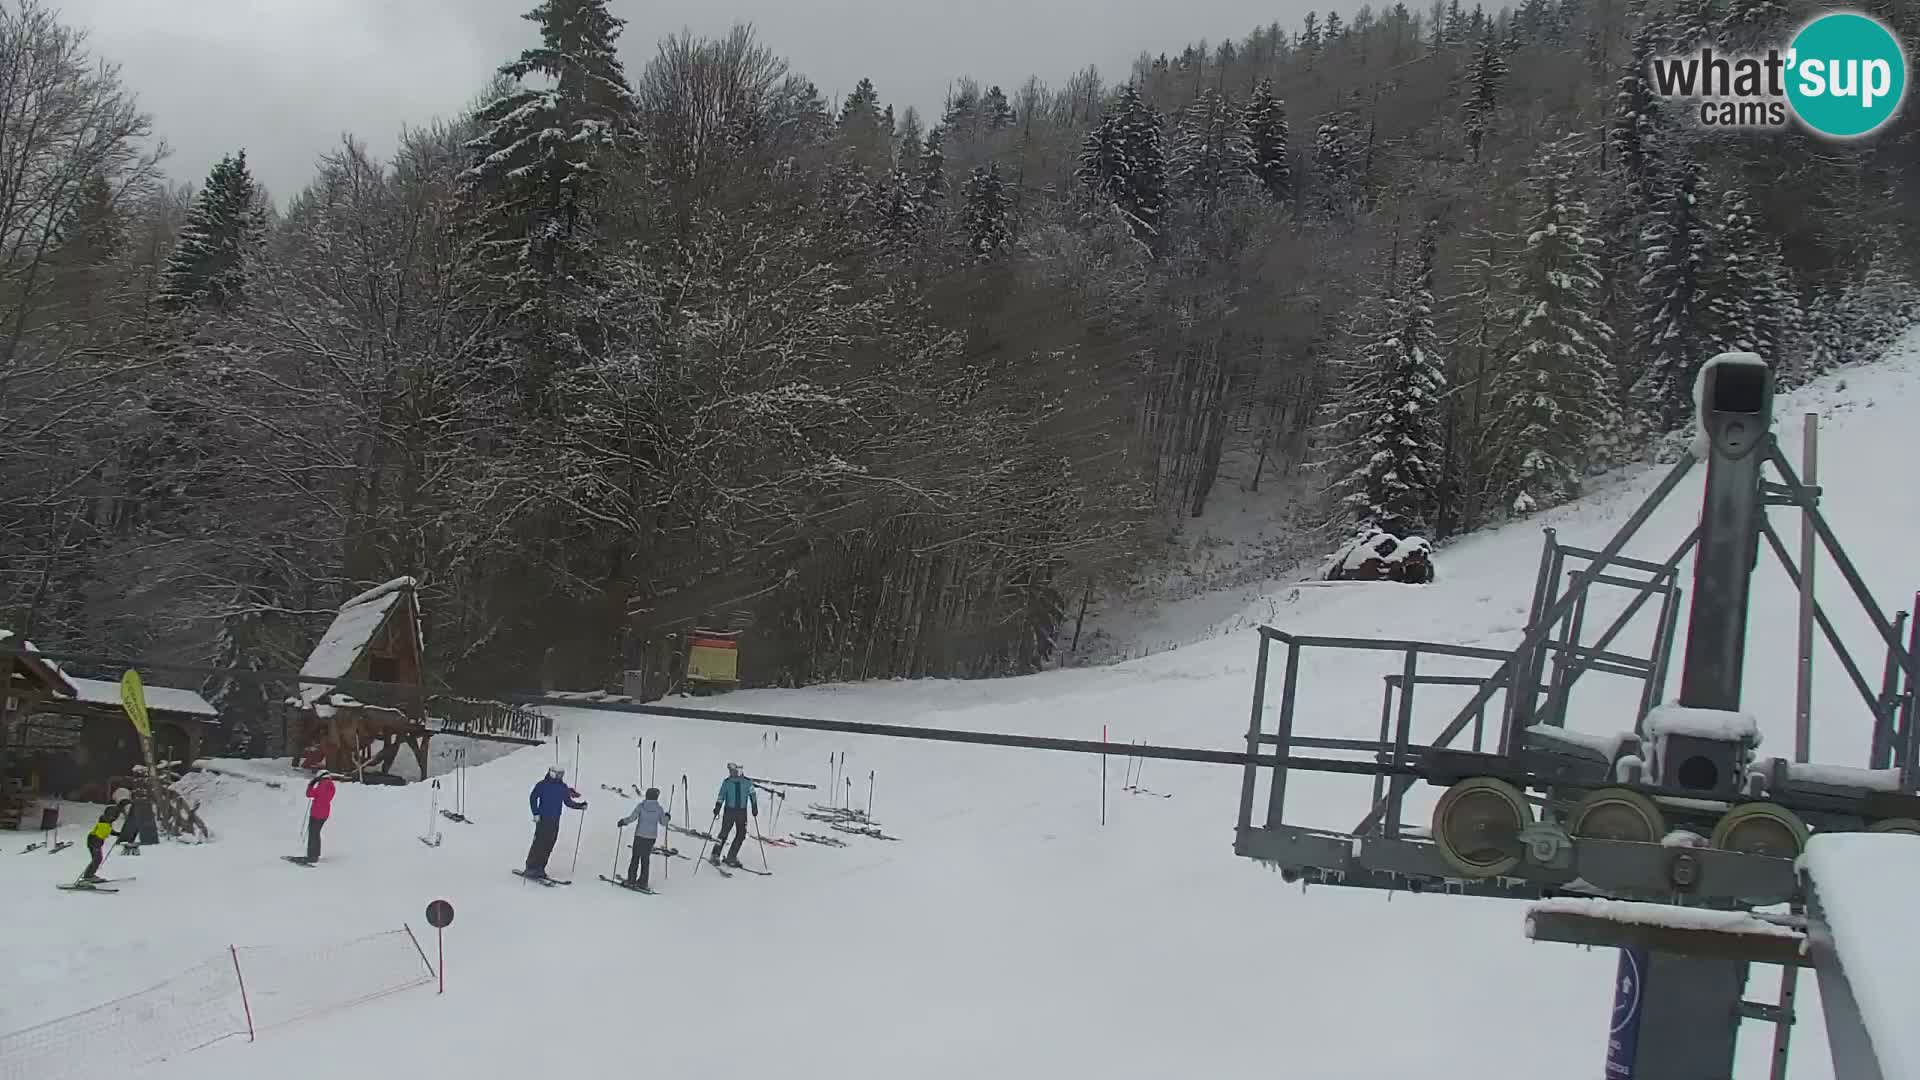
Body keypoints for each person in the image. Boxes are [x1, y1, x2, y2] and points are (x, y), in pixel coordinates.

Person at [526, 766, 587, 879]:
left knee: (549, 844)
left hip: (555, 820)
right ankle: (531, 868)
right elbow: (533, 798)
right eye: (557, 774)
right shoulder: (542, 785)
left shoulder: (562, 787)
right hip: (543, 819)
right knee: (539, 843)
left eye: (561, 774)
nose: (559, 777)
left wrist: (580, 806)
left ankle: (540, 868)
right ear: (552, 773)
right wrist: (536, 813)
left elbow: (568, 802)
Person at [616, 787, 671, 890]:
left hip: (639, 836)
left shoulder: (641, 806)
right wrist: (668, 817)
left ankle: (631, 879)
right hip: (651, 838)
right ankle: (643, 882)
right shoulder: (659, 809)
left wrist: (623, 822)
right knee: (645, 859)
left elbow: (632, 818)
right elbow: (663, 822)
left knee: (635, 857)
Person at [79, 788, 132, 883]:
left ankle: (89, 875)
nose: (114, 818)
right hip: (94, 841)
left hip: (95, 841)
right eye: (113, 817)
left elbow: (110, 831)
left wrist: (118, 834)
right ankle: (88, 876)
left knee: (97, 859)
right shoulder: (104, 823)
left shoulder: (106, 823)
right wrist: (98, 843)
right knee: (97, 859)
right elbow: (100, 834)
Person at [710, 763, 758, 868]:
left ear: (739, 770)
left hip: (742, 812)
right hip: (729, 811)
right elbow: (721, 795)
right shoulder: (727, 782)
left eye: (732, 770)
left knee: (741, 834)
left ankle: (731, 856)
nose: (730, 772)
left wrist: (754, 806)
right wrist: (718, 806)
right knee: (724, 833)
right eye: (730, 771)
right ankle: (715, 854)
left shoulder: (747, 782)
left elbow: (752, 794)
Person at [302, 771, 337, 863]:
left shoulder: (323, 784)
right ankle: (315, 854)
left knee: (313, 834)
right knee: (315, 834)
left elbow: (310, 794)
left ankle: (312, 856)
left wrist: (311, 785)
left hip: (317, 813)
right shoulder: (331, 785)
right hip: (323, 813)